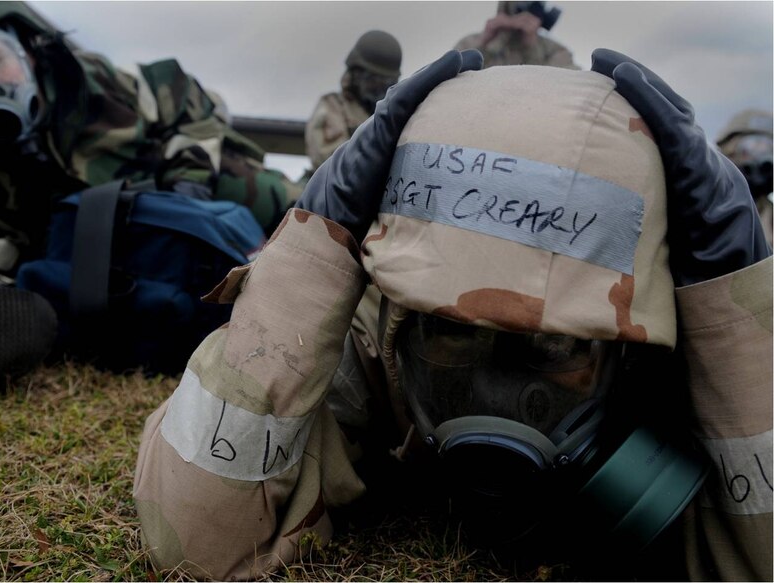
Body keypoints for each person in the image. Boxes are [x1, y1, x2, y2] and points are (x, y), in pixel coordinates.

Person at [133, 47, 772, 581]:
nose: (494, 392)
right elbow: (193, 541)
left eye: (553, 348)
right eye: (449, 332)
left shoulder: (684, 364)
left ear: (628, 350)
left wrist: (734, 315)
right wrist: (308, 256)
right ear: (401, 324)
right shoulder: (371, 346)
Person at [0, 1, 300, 396]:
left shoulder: (91, 81)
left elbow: (184, 102)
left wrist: (186, 183)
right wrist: (11, 308)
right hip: (89, 259)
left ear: (26, 52)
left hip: (178, 199)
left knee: (271, 195)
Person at [304, 30, 402, 172]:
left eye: (386, 82)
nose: (379, 88)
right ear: (356, 75)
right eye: (373, 80)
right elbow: (331, 164)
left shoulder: (390, 114)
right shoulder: (333, 107)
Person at [455, 1, 576, 69]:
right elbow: (452, 76)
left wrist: (531, 47)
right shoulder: (469, 43)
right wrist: (483, 43)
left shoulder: (556, 51)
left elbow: (565, 85)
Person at [716, 109, 773, 246]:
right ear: (728, 152)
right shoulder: (705, 211)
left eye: (770, 149)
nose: (764, 158)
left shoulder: (769, 217)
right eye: (753, 147)